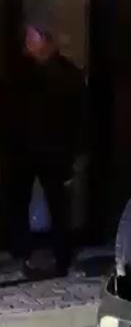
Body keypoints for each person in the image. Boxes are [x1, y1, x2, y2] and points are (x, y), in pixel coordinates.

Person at [6, 25, 85, 279]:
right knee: (20, 201)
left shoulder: (66, 74)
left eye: (34, 40)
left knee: (57, 205)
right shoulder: (20, 72)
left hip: (53, 149)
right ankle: (23, 253)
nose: (29, 46)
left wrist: (77, 151)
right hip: (25, 149)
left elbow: (79, 115)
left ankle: (61, 256)